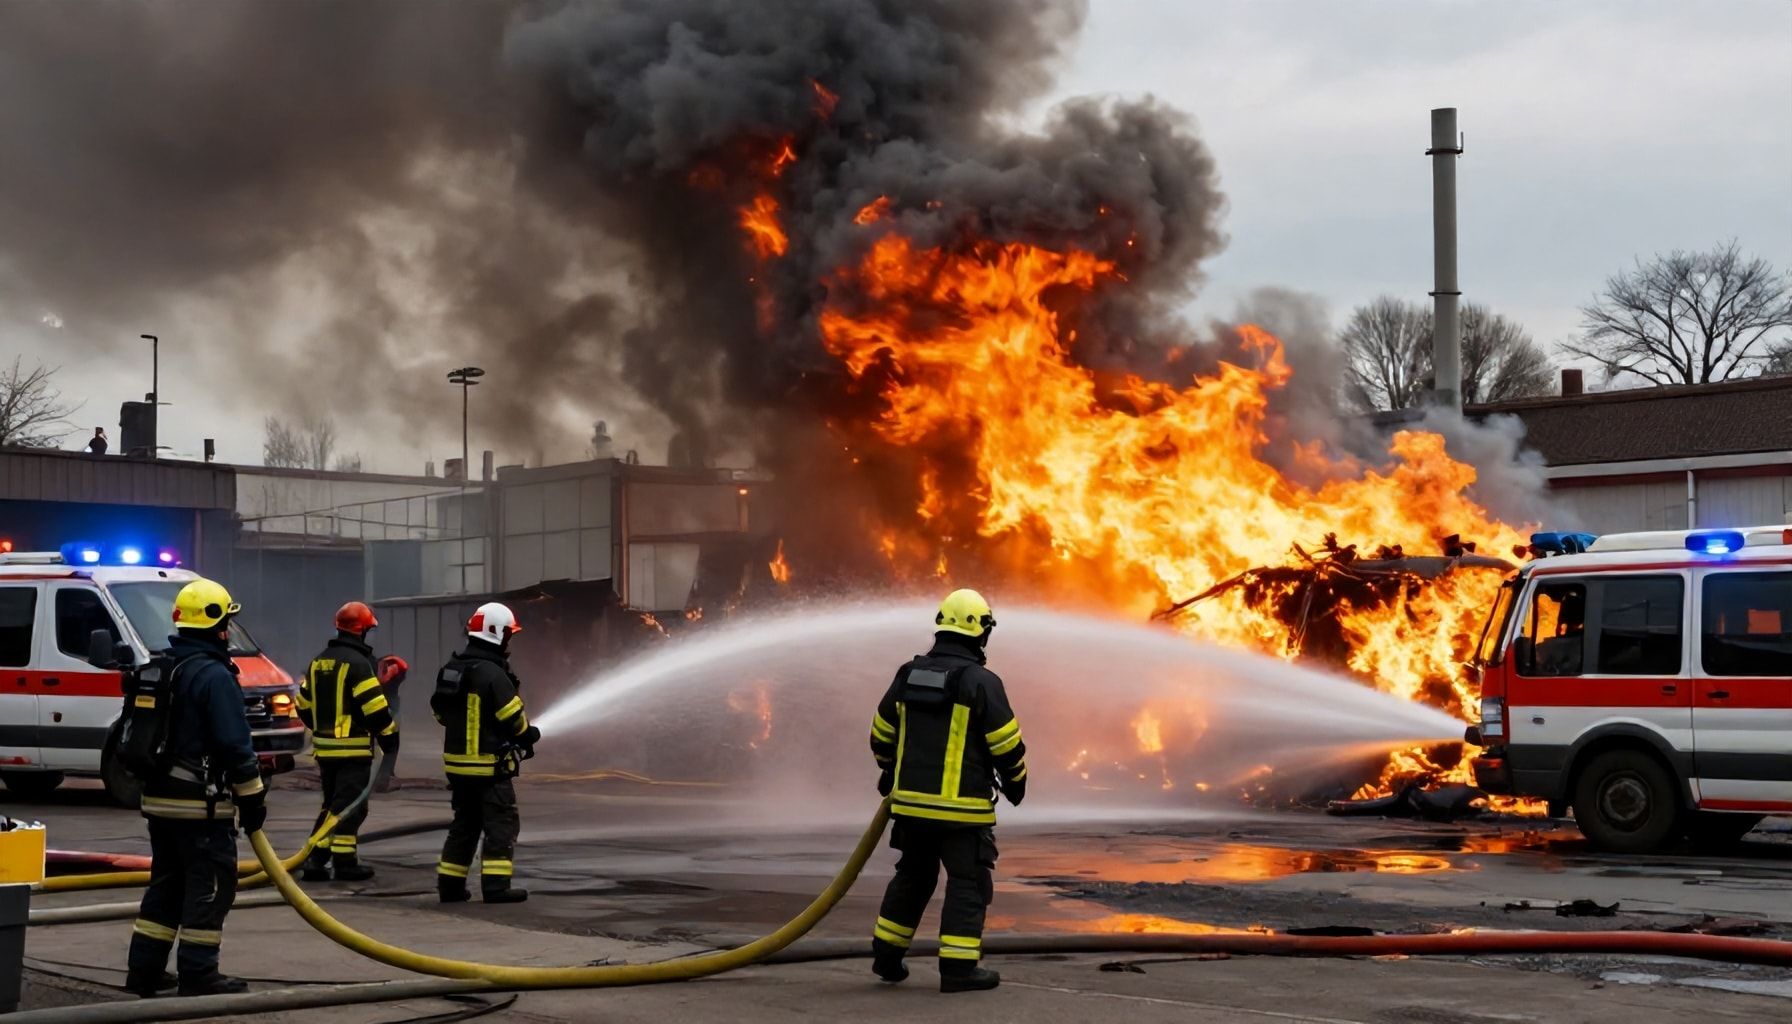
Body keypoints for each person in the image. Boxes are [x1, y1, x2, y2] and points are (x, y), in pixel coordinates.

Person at [867, 588, 1028, 993]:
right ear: (980, 631)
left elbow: (881, 733)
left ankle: (887, 956)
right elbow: (1006, 744)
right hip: (961, 814)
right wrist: (1016, 782)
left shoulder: (908, 674)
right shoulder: (981, 682)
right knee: (968, 883)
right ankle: (958, 969)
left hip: (911, 809)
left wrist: (889, 770)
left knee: (913, 877)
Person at [125, 578, 267, 998]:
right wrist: (253, 796)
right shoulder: (213, 675)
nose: (229, 629)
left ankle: (144, 972)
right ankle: (199, 973)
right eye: (227, 621)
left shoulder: (163, 667)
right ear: (216, 625)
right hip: (199, 809)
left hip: (159, 803)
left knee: (165, 889)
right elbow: (233, 743)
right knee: (209, 890)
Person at [432, 602, 539, 904]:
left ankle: (450, 888)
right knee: (501, 825)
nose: (509, 640)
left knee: (464, 826)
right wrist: (528, 735)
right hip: (490, 769)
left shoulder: (451, 670)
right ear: (497, 634)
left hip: (458, 768)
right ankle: (496, 888)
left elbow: (440, 714)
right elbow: (513, 719)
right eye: (508, 634)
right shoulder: (493, 675)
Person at [297, 601, 399, 882]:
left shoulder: (319, 661)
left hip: (325, 750)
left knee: (335, 805)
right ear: (362, 630)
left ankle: (334, 860)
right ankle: (323, 860)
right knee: (350, 806)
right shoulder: (358, 664)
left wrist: (322, 728)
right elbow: (375, 709)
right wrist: (390, 737)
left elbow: (303, 704)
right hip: (353, 750)